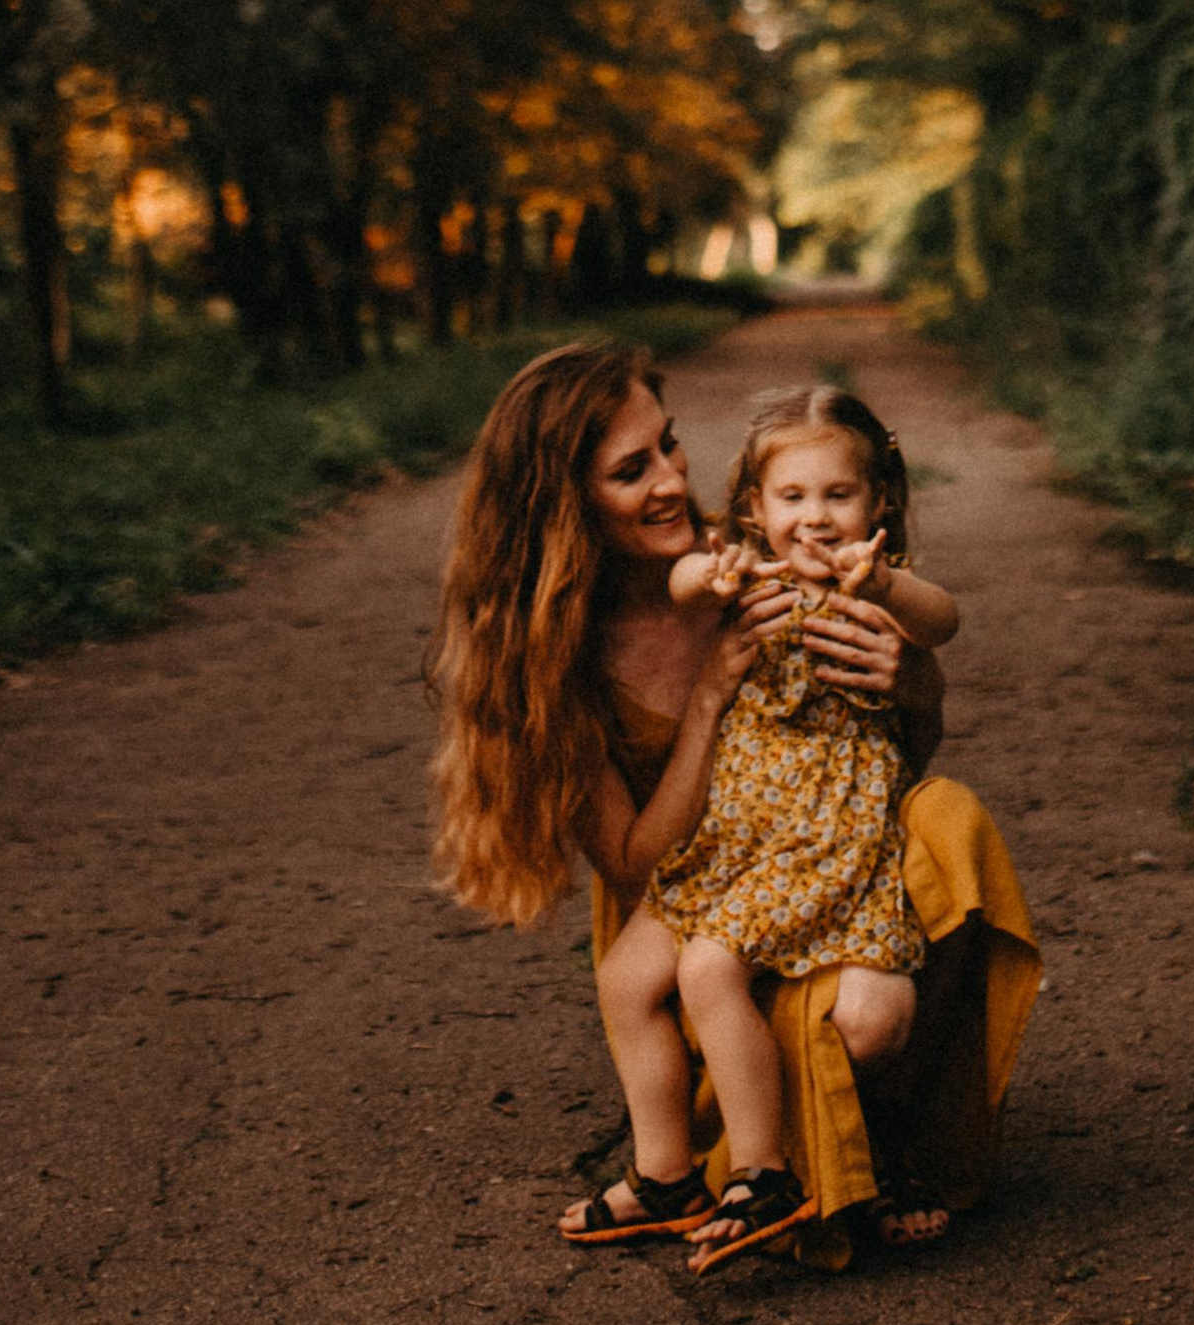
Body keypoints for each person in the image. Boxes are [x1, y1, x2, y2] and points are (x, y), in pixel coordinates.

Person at [426, 341, 1038, 1272]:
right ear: (566, 503)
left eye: (670, 446)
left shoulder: (759, 548)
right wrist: (709, 697)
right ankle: (684, 1169)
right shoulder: (568, 658)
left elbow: (889, 744)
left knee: (944, 828)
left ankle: (882, 1146)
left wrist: (913, 675)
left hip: (807, 857)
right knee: (651, 978)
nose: (676, 480)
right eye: (634, 470)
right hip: (695, 880)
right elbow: (632, 865)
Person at [604, 386, 961, 1267]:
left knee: (709, 964)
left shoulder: (873, 588)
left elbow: (943, 620)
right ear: (755, 511)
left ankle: (763, 1174)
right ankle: (667, 1176)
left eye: (838, 496)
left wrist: (883, 586)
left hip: (821, 831)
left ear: (878, 501)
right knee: (623, 979)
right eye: (791, 499)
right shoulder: (746, 574)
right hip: (736, 833)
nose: (815, 519)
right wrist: (711, 573)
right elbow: (683, 578)